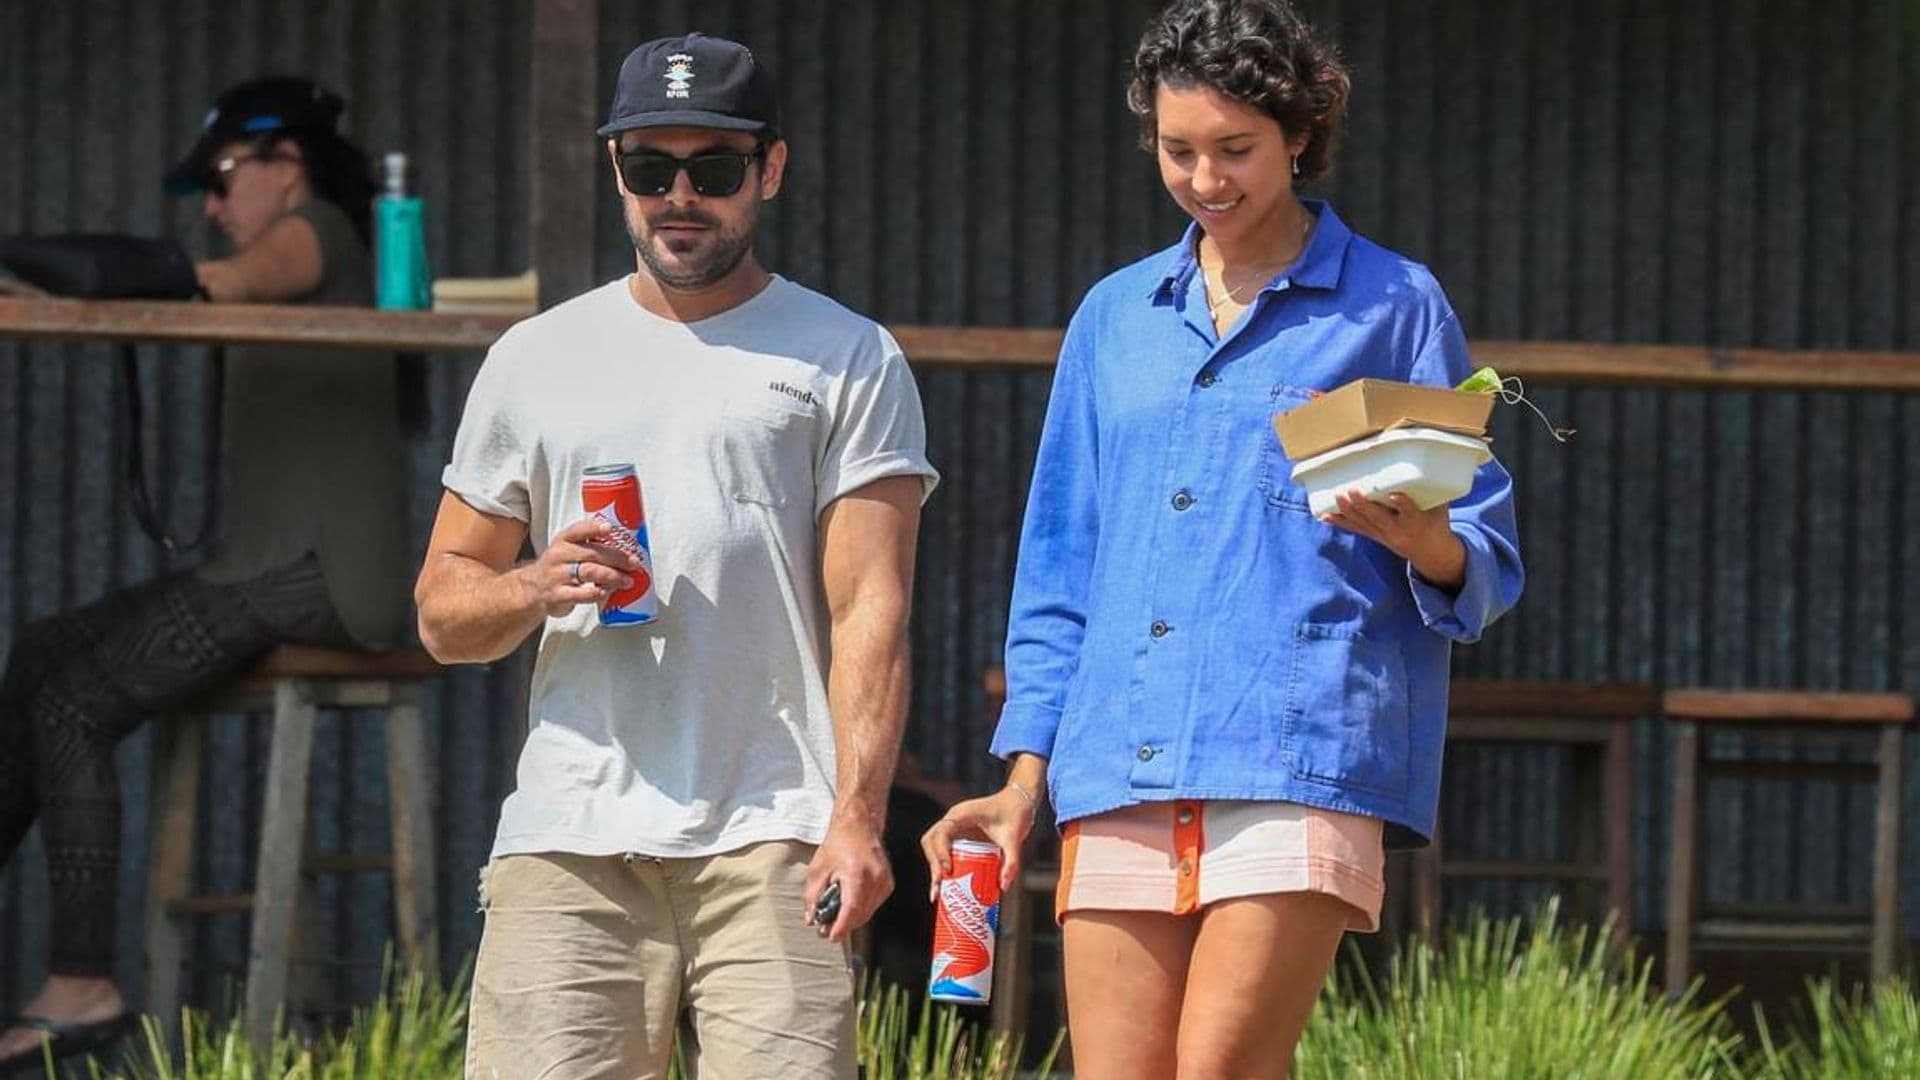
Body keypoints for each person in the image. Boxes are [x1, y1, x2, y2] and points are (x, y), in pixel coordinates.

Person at [921, 1, 1525, 1075]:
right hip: (1122, 754)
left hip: (1299, 746)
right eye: (1178, 149)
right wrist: (1022, 781)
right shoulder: (1115, 316)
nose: (1206, 178)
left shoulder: (1394, 303)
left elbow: (1482, 554)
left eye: (1236, 149)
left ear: (1300, 133)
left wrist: (1419, 534)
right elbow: (1061, 564)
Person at [416, 32, 937, 1080]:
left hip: (777, 834)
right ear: (617, 171)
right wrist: (533, 583)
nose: (680, 196)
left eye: (715, 168)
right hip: (570, 835)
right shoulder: (537, 356)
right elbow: (442, 612)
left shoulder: (846, 353)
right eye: (650, 169)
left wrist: (858, 820)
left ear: (771, 170)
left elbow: (870, 610)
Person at [0, 76, 408, 1072]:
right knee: (43, 649)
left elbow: (201, 282)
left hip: (323, 574)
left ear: (287, 165)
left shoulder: (319, 235)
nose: (215, 207)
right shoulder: (304, 241)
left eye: (224, 179)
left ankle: (83, 983)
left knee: (74, 705)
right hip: (266, 560)